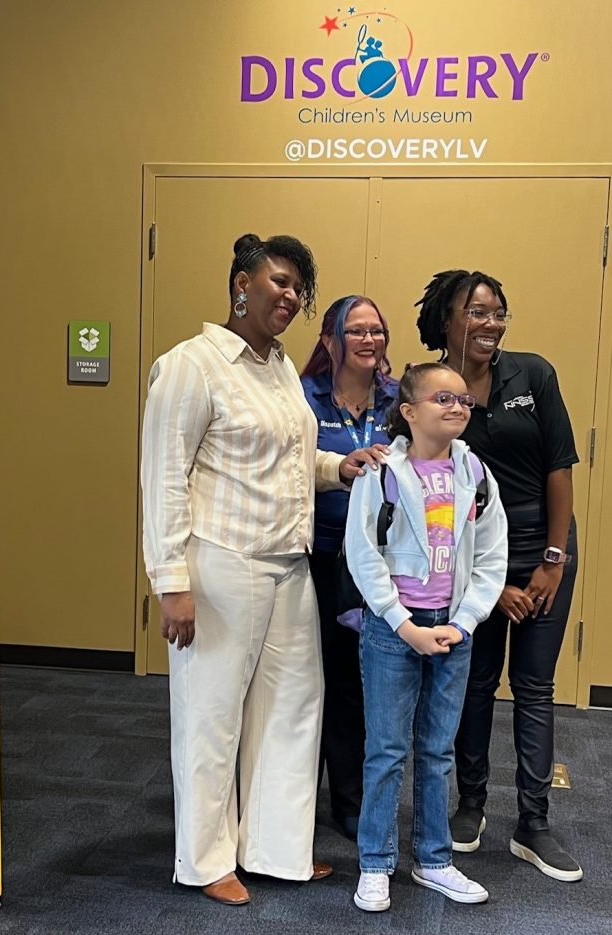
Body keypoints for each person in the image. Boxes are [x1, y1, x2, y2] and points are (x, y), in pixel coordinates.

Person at [141, 233, 380, 906]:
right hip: (221, 563)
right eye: (277, 281)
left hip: (288, 562)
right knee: (211, 714)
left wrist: (339, 468)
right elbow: (163, 476)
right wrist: (171, 581)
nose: (290, 295)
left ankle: (277, 847)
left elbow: (286, 459)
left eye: (298, 287)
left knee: (293, 708)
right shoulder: (192, 364)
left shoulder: (278, 368)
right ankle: (206, 857)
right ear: (239, 284)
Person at [415, 269, 584, 882]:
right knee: (475, 683)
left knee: (535, 686)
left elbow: (559, 470)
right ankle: (472, 805)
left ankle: (535, 823)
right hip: (471, 558)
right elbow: (427, 480)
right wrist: (492, 583)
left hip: (544, 552)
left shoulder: (533, 375)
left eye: (498, 313)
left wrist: (551, 562)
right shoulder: (434, 387)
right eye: (477, 312)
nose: (490, 324)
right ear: (447, 319)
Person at [344, 362, 507, 912]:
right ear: (410, 412)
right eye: (443, 397)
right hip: (395, 630)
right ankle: (375, 863)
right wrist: (402, 623)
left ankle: (434, 859)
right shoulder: (380, 471)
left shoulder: (476, 473)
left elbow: (491, 556)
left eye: (463, 399)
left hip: (452, 630)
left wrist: (464, 622)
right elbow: (362, 554)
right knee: (386, 751)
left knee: (438, 750)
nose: (457, 406)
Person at [299, 295, 396, 840]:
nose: (368, 340)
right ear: (331, 342)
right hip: (313, 556)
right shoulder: (303, 398)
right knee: (304, 680)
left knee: (354, 684)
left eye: (376, 331)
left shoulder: (396, 402)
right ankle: (291, 800)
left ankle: (350, 800)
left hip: (374, 566)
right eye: (354, 331)